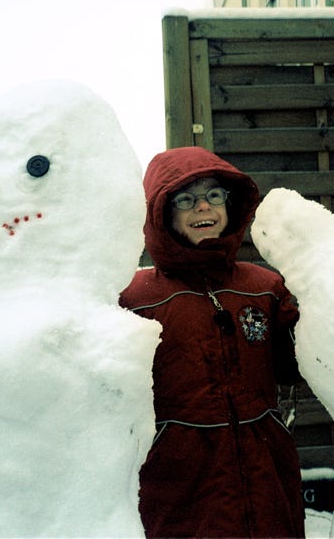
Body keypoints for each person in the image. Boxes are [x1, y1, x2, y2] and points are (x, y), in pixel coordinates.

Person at [120, 146, 305, 538]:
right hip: (180, 488)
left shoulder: (264, 286)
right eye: (185, 199)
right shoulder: (135, 297)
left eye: (213, 195)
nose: (203, 208)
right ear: (161, 213)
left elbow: (298, 367)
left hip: (265, 478)